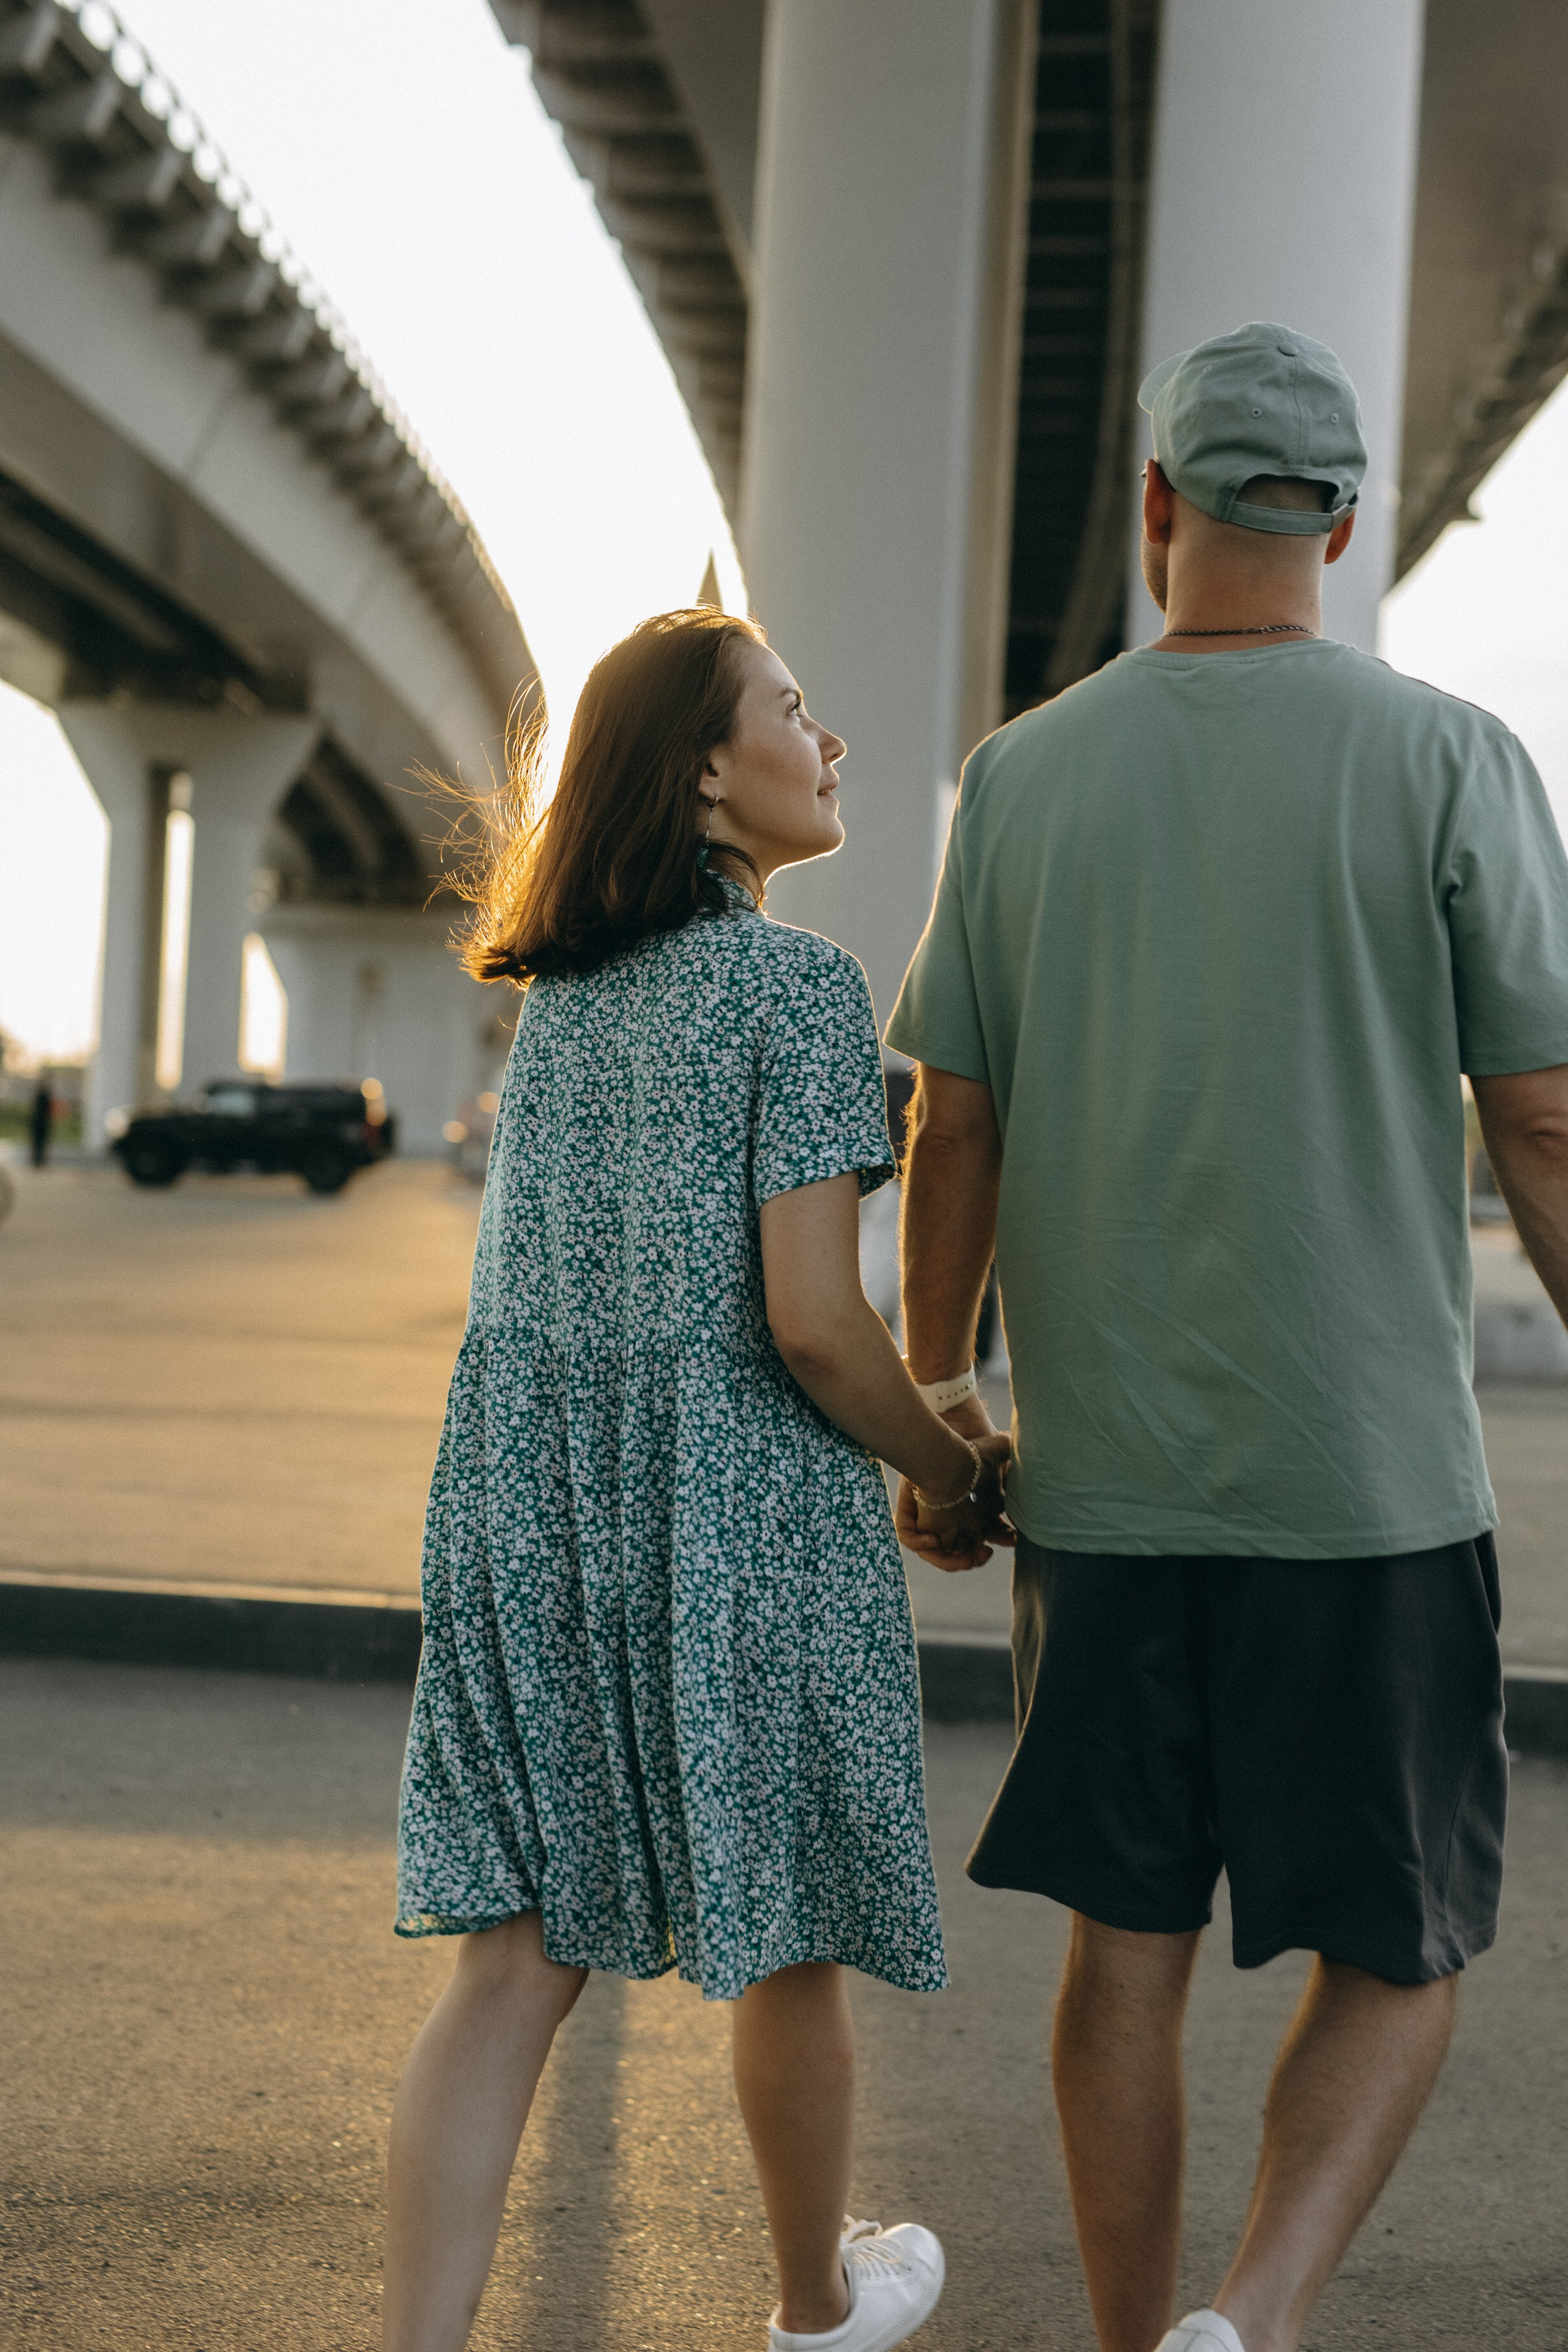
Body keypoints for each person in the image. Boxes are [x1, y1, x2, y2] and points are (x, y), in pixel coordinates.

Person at [884, 322, 1568, 2352]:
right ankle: (1248, 2325)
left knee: (1127, 1946)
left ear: (1156, 507)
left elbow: (953, 1127)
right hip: (1369, 1489)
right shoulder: (1453, 761)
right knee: (1404, 1942)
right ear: (1343, 526)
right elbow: (1543, 1121)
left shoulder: (1020, 777)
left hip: (1103, 1489)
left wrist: (944, 1397)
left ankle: (1138, 2341)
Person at [383, 608, 1009, 2352]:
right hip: (736, 1510)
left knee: (514, 1956)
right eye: (792, 710)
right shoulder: (791, 988)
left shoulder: (562, 1001)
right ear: (706, 774)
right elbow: (812, 1321)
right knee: (785, 1917)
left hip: (524, 1502)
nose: (829, 739)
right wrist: (948, 1467)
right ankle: (817, 2307)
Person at [29, 1078, 51, 1168]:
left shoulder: (41, 1096)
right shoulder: (43, 1096)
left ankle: (38, 1160)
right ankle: (38, 1160)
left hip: (40, 1124)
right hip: (41, 1124)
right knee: (39, 1143)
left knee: (39, 1143)